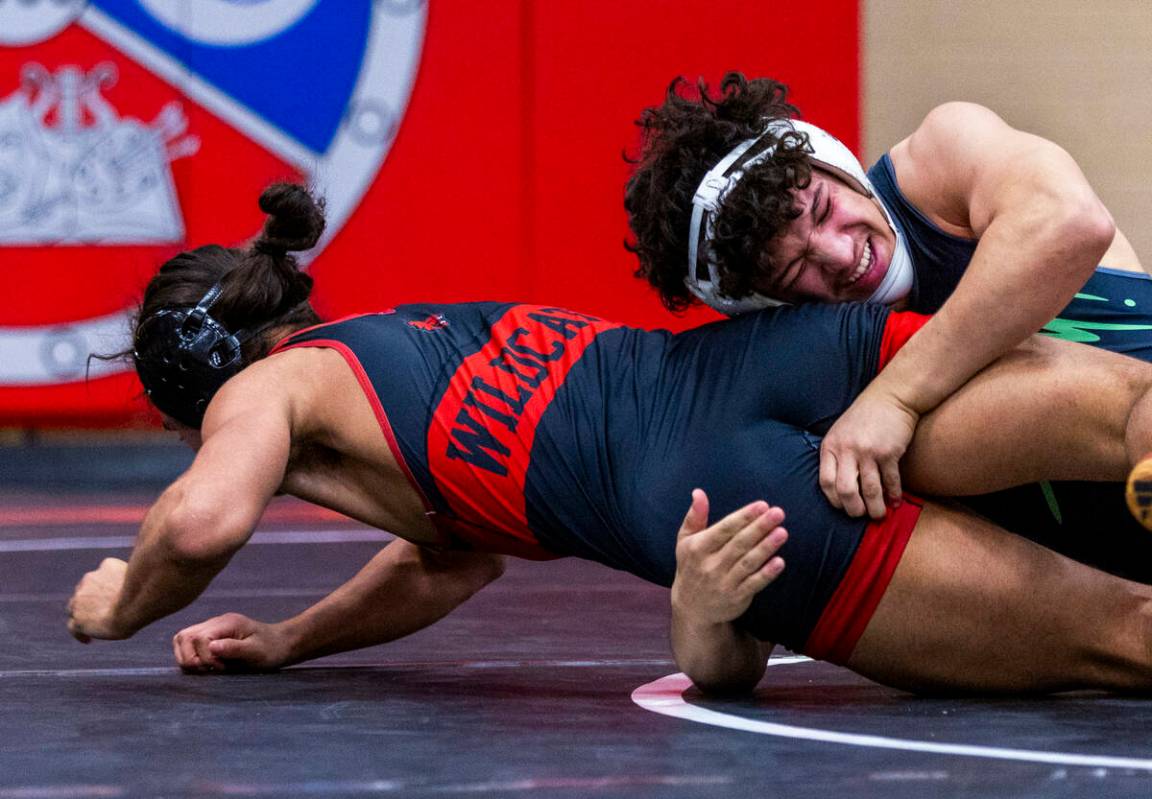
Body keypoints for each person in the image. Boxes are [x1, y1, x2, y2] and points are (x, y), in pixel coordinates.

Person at [66, 184, 1152, 696]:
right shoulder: (407, 345)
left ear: (198, 392)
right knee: (1133, 413)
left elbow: (202, 521)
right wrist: (294, 638)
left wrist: (122, 598)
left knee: (1127, 634)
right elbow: (453, 557)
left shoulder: (268, 389)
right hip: (773, 361)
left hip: (717, 492)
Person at [624, 73, 1152, 526]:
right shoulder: (802, 377)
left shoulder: (939, 160)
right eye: (795, 268)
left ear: (832, 162)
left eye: (824, 208)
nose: (839, 253)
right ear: (762, 306)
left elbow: (1071, 224)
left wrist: (895, 397)